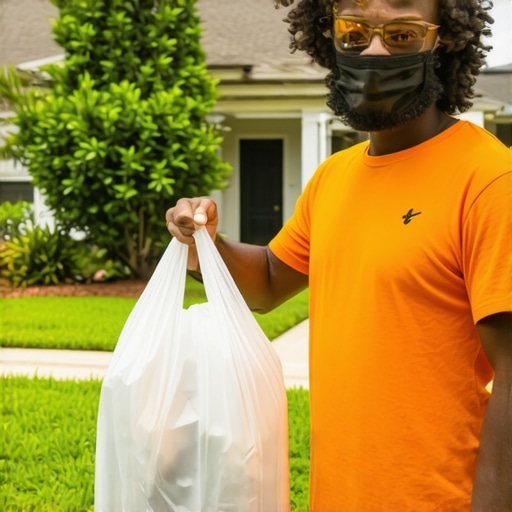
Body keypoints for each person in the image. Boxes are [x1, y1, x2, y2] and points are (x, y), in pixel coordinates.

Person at [167, 0, 512, 509]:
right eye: (354, 32)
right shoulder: (333, 177)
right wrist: (204, 245)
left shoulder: (488, 179)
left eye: (401, 34)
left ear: (445, 41)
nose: (373, 50)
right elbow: (267, 280)